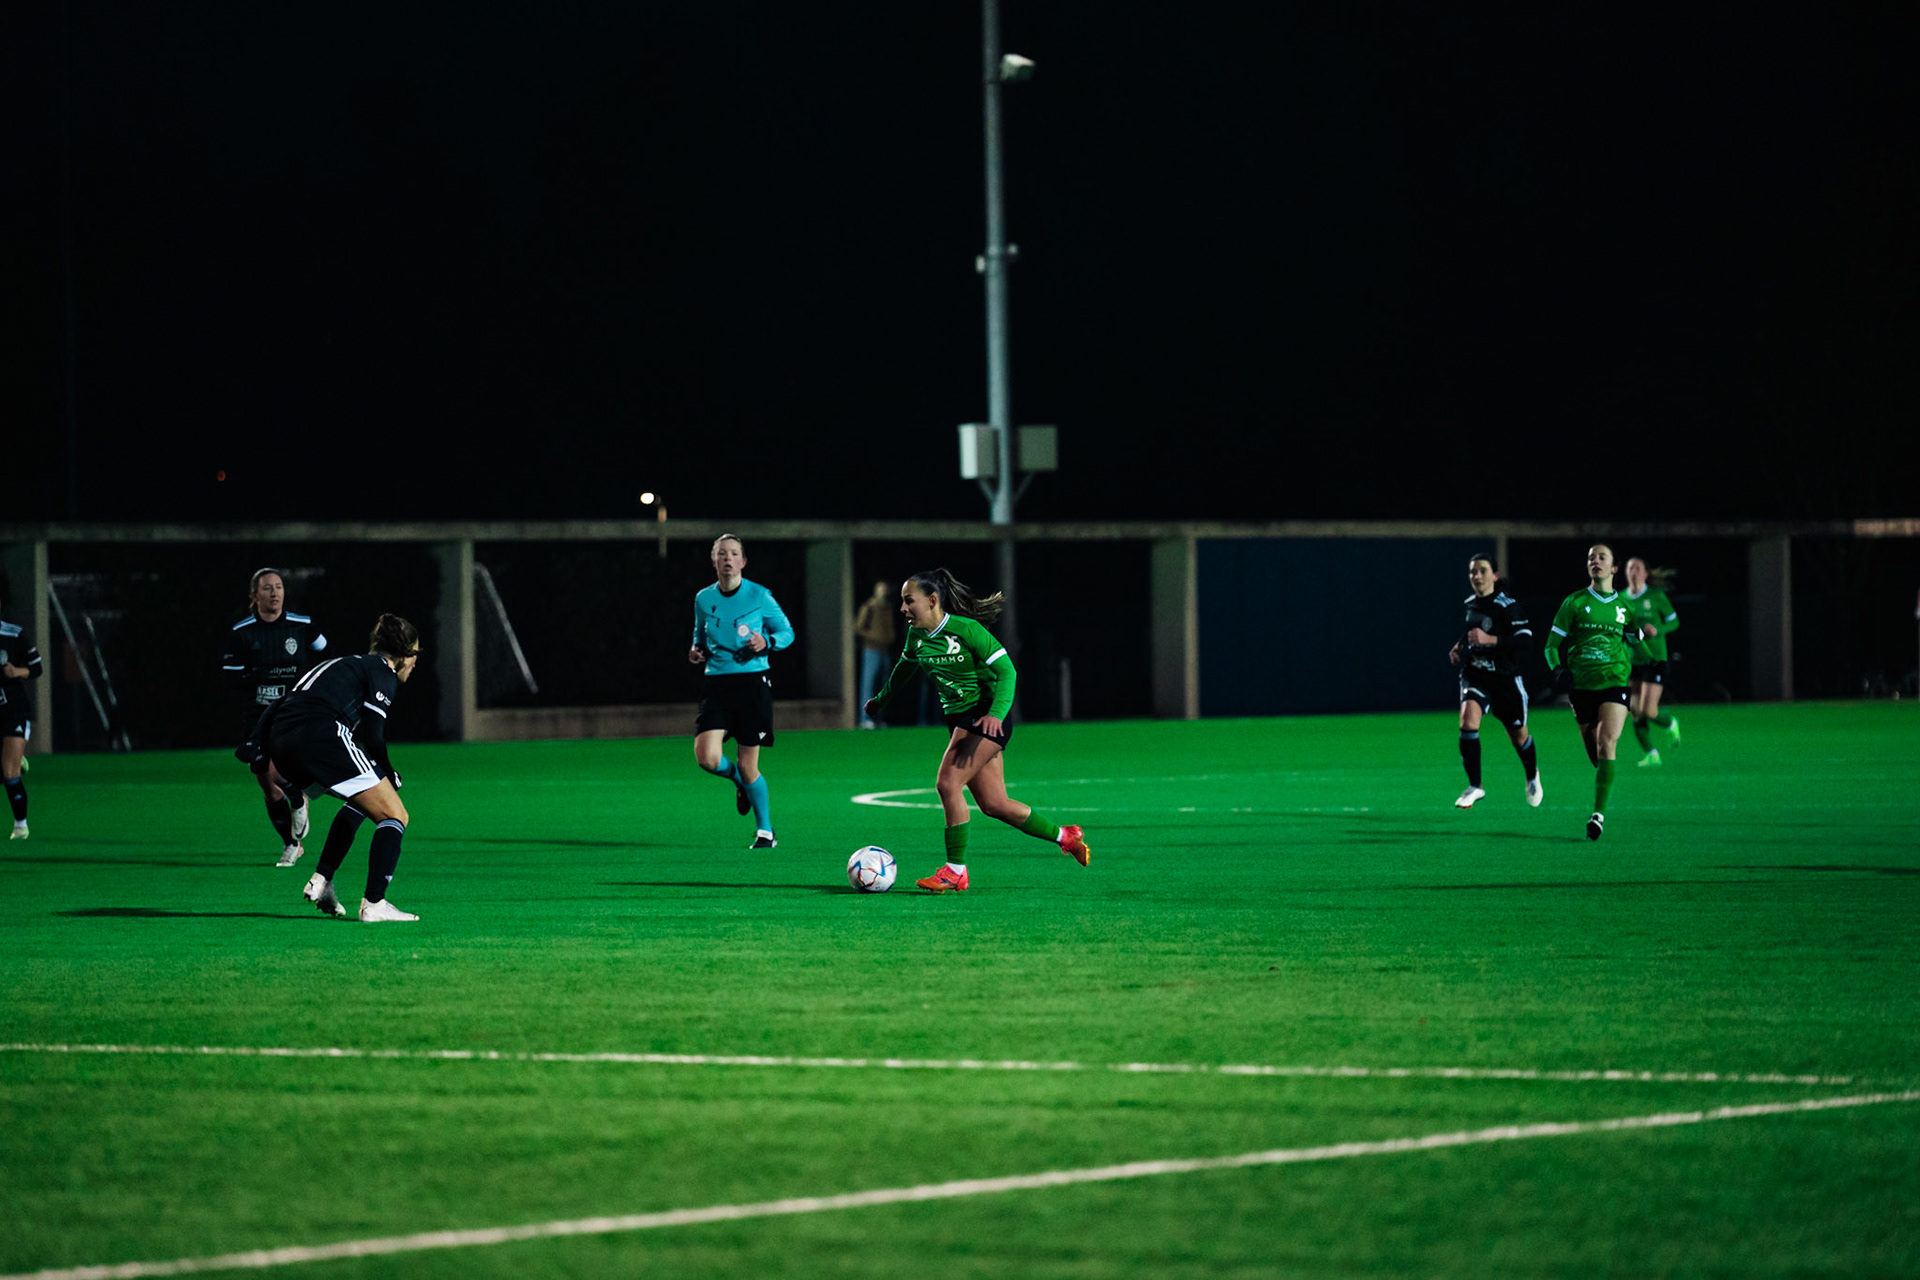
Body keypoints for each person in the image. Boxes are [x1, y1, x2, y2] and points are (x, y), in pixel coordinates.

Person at [863, 568, 1090, 892]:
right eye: (902, 601)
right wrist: (881, 700)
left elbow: (1007, 672)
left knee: (947, 782)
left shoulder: (967, 630)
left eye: (908, 601)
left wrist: (996, 714)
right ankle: (1065, 836)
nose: (902, 609)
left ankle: (955, 871)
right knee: (994, 803)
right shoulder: (917, 636)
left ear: (932, 600)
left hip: (984, 716)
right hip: (961, 720)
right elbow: (905, 668)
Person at [250, 613, 423, 922]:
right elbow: (374, 736)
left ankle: (322, 880)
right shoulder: (381, 671)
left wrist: (259, 748)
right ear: (401, 654)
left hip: (282, 738)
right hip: (320, 734)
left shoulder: (343, 664)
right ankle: (375, 903)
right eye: (414, 654)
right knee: (395, 814)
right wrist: (388, 771)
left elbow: (286, 701)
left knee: (361, 800)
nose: (415, 663)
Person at [688, 534, 794, 849]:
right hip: (717, 684)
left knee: (749, 765)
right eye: (722, 554)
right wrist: (696, 649)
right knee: (706, 758)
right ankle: (738, 782)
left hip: (752, 684)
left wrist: (768, 642)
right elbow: (699, 633)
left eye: (734, 553)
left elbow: (787, 632)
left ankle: (765, 832)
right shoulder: (703, 599)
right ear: (714, 561)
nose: (728, 559)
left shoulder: (760, 596)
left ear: (743, 562)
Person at [1542, 544, 1653, 841]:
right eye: (1591, 557)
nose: (1596, 561)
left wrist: (1654, 663)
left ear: (1614, 568)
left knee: (1608, 742)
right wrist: (1557, 669)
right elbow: (1551, 646)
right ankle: (1602, 788)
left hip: (1616, 682)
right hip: (1582, 687)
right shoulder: (1574, 603)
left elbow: (1635, 640)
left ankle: (1598, 816)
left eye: (1602, 557)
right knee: (1596, 756)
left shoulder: (1624, 608)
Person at [223, 568, 328, 866]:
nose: (274, 593)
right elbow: (230, 677)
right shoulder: (241, 633)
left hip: (294, 712)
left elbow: (325, 652)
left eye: (279, 587)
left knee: (277, 768)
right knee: (265, 780)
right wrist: (254, 677)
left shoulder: (302, 625)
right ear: (254, 596)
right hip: (257, 713)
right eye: (267, 588)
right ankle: (292, 839)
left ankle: (294, 815)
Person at [1448, 554, 1543, 809]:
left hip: (1505, 680)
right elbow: (1469, 634)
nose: (1476, 576)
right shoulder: (1470, 604)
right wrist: (1459, 647)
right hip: (1476, 675)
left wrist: (1491, 641)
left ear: (1495, 575)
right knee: (1467, 723)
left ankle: (1532, 774)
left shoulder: (1507, 606)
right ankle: (1475, 786)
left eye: (1482, 571)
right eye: (1472, 572)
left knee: (1519, 738)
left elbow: (1525, 642)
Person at [1622, 557, 1682, 767]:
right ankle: (1652, 754)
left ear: (1646, 573)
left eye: (1638, 568)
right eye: (1630, 568)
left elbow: (1674, 621)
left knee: (1648, 710)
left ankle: (1671, 722)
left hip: (1655, 659)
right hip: (1633, 660)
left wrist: (1658, 632)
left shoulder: (1656, 596)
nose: (1634, 572)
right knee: (1635, 711)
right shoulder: (1621, 598)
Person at [1, 597, 45, 840]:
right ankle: (16, 759)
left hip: (14, 711)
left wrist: (16, 671)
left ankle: (21, 827)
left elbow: (37, 668)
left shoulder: (14, 634)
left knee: (10, 773)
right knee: (6, 769)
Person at [854, 580, 896, 728]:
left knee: (883, 686)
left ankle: (878, 718)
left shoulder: (888, 608)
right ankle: (866, 718)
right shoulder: (869, 607)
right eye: (881, 589)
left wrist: (890, 638)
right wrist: (873, 636)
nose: (883, 592)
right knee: (869, 684)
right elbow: (859, 627)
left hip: (885, 650)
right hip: (871, 649)